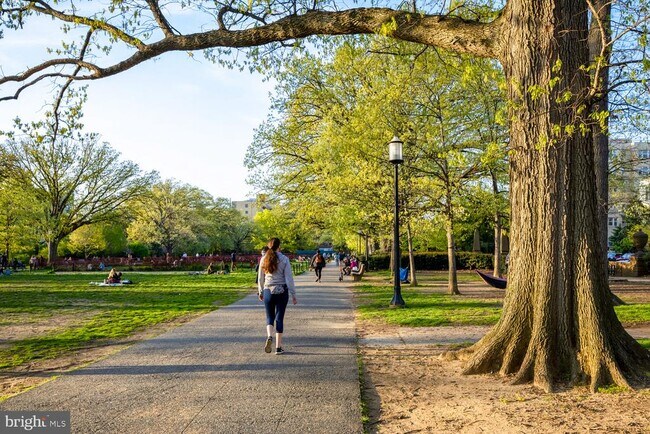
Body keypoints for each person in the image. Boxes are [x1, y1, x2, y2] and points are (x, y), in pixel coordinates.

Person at [258, 238, 297, 355]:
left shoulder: (263, 259)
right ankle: (278, 348)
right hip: (281, 291)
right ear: (279, 246)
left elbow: (260, 278)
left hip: (268, 290)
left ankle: (270, 336)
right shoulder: (284, 259)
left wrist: (260, 291)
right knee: (279, 318)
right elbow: (288, 278)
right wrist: (293, 294)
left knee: (269, 317)